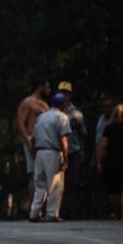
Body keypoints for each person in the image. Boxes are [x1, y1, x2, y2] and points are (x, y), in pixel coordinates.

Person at [29, 92, 72, 222]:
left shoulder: (42, 117)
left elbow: (33, 138)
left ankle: (34, 213)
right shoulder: (62, 117)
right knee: (55, 184)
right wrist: (65, 158)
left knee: (40, 185)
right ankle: (52, 213)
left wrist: (34, 153)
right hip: (53, 152)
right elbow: (63, 139)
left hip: (39, 152)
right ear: (63, 105)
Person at [17, 78, 51, 206]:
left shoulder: (44, 104)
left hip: (45, 142)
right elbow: (20, 122)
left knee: (44, 174)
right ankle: (33, 208)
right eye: (47, 87)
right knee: (35, 174)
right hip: (32, 140)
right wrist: (27, 139)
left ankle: (41, 208)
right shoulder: (28, 102)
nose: (49, 90)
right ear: (40, 86)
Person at [57, 81, 88, 219]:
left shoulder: (76, 114)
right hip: (57, 152)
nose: (64, 95)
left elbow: (83, 134)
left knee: (73, 182)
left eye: (66, 92)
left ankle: (72, 212)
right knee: (57, 183)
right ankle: (58, 211)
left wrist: (82, 152)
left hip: (73, 151)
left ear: (70, 94)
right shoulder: (53, 111)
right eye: (61, 92)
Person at [97, 103, 123, 220]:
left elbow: (103, 145)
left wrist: (100, 161)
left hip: (112, 160)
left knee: (113, 187)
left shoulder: (109, 128)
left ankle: (116, 213)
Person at [95, 96, 117, 217]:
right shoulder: (101, 119)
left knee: (114, 184)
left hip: (112, 155)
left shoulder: (116, 121)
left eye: (109, 106)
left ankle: (116, 211)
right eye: (104, 106)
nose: (107, 109)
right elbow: (97, 139)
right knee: (103, 183)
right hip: (100, 154)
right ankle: (105, 209)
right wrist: (96, 157)